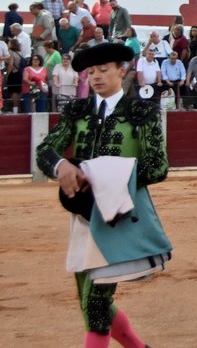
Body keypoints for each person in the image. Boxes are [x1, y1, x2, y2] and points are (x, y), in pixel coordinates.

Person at [35, 42, 170, 347]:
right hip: (83, 215)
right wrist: (60, 166)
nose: (95, 76)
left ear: (122, 71)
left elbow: (158, 167)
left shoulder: (141, 113)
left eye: (103, 69)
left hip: (120, 216)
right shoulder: (78, 111)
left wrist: (109, 175)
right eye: (91, 72)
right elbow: (44, 150)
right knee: (89, 300)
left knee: (95, 303)